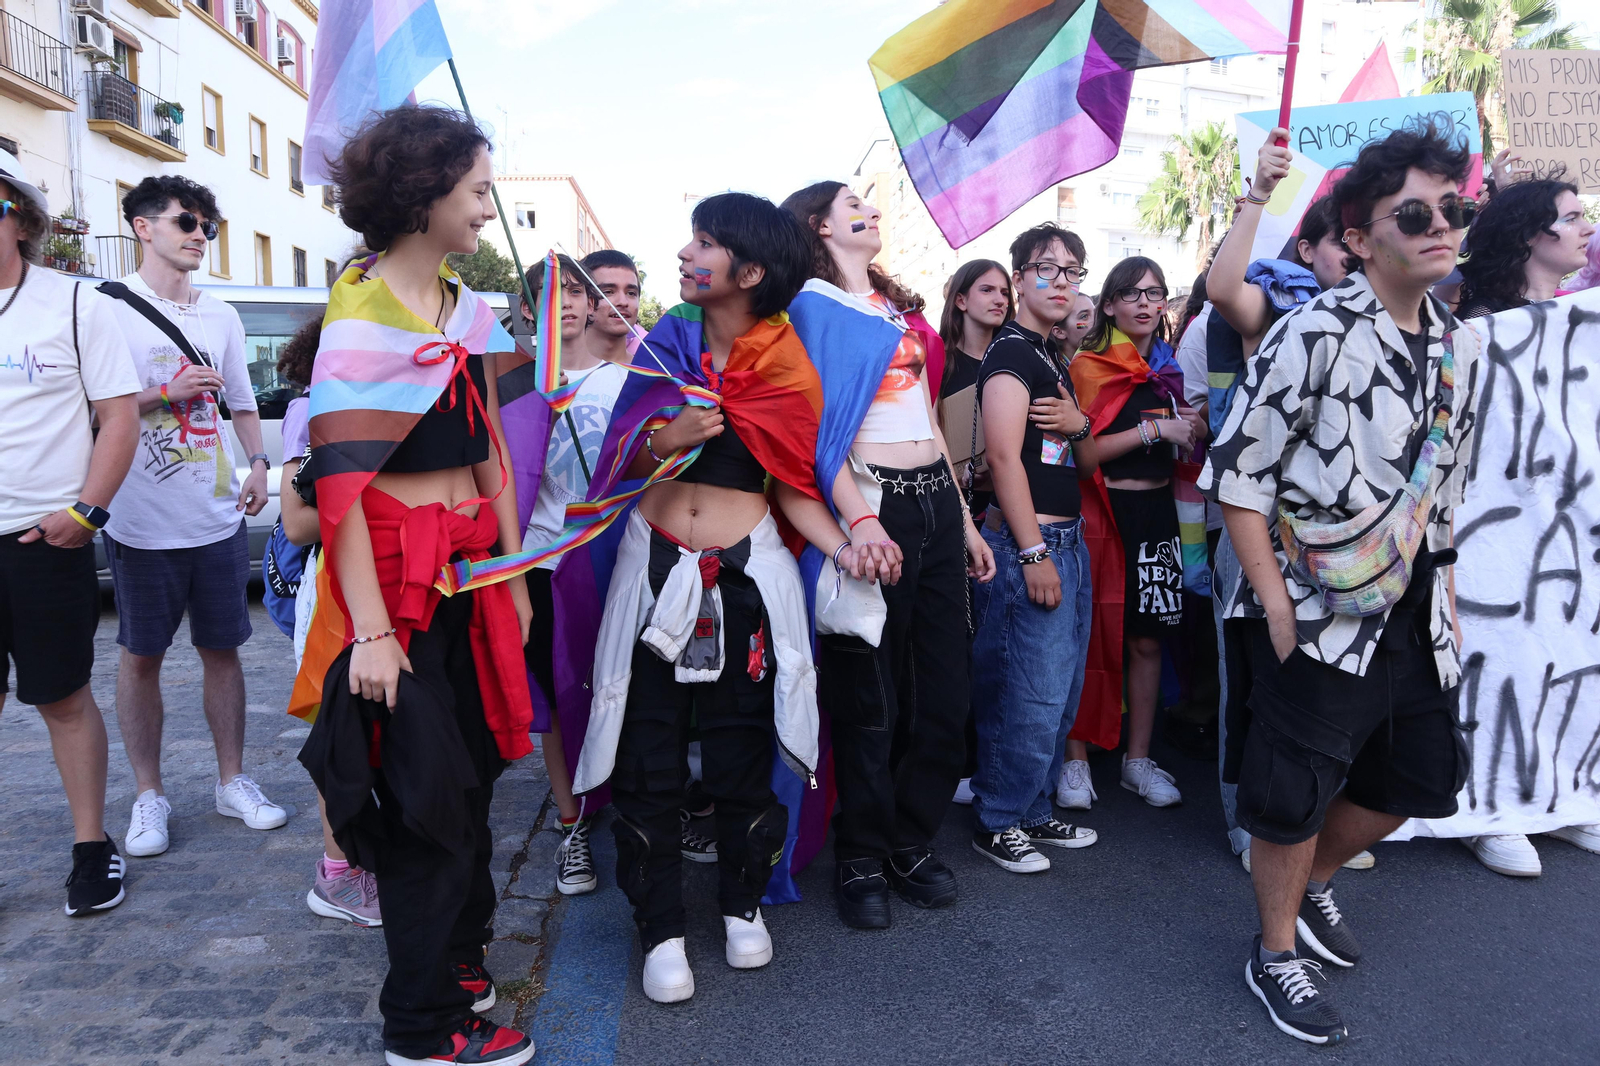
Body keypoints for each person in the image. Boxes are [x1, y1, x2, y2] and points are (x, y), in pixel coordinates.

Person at [1202, 120, 1481, 1046]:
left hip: (1412, 607)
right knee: (1289, 792)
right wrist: (1277, 611)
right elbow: (1237, 476)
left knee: (1420, 778)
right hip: (1314, 610)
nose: (1440, 224)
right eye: (1415, 212)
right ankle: (1274, 949)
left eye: (1455, 206)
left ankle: (1315, 883)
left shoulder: (1456, 343)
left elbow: (1445, 487)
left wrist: (1443, 601)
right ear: (1361, 239)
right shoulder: (1311, 332)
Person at [294, 104, 536, 1066]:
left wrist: (512, 576)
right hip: (394, 587)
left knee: (474, 785)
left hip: (473, 575)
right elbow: (344, 497)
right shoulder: (357, 323)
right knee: (428, 800)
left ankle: (461, 961)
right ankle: (422, 1026)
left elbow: (490, 453)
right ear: (424, 192)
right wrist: (370, 632)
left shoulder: (460, 310)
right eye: (477, 189)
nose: (487, 207)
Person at [571, 192, 832, 1004]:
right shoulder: (665, 347)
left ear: (750, 272)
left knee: (740, 749)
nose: (688, 253)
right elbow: (617, 461)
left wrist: (853, 537)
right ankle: (660, 930)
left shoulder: (789, 367)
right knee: (644, 754)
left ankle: (741, 902)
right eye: (692, 237)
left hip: (747, 577)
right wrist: (668, 438)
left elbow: (798, 486)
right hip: (649, 569)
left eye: (707, 242)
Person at [781, 180, 995, 930]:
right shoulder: (809, 308)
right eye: (852, 202)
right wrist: (859, 521)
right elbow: (816, 435)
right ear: (819, 225)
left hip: (935, 499)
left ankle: (911, 840)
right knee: (870, 697)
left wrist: (964, 522)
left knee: (945, 692)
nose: (869, 207)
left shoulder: (891, 312)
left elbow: (930, 423)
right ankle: (862, 853)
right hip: (871, 502)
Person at [99, 175, 284, 861]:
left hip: (215, 516)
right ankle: (149, 793)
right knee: (140, 655)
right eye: (185, 221)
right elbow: (94, 409)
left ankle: (231, 780)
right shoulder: (105, 308)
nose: (199, 233)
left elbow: (240, 403)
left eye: (207, 224)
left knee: (223, 650)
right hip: (139, 518)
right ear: (144, 227)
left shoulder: (223, 316)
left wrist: (259, 465)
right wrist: (163, 392)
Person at [1192, 135, 1355, 870]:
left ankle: (1312, 819)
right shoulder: (1280, 306)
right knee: (1253, 675)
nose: (1352, 255)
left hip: (1344, 531)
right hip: (1261, 520)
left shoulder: (1386, 321)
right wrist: (1256, 194)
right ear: (1312, 249)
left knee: (1332, 679)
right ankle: (1248, 818)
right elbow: (1225, 289)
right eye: (1340, 242)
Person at [0, 150, 140, 916]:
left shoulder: (78, 304)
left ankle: (93, 847)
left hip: (41, 539)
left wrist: (85, 511)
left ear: (18, 216)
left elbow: (118, 415)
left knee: (63, 699)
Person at [1451, 175, 1598, 878]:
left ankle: (1563, 797)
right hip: (1499, 532)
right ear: (1532, 235)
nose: (1584, 229)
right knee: (1500, 662)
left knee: (1567, 657)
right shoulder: (1479, 325)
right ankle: (1492, 808)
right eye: (1571, 218)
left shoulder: (1580, 325)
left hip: (1568, 527)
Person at [969, 223, 1100, 873]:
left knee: (1059, 690)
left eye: (1073, 272)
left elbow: (1074, 450)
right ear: (1019, 277)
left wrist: (1081, 424)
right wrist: (1030, 552)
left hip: (1067, 542)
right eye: (1047, 269)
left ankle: (1033, 806)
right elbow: (1001, 457)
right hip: (1034, 542)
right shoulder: (1011, 353)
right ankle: (997, 817)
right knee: (1026, 690)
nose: (1063, 282)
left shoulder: (1050, 357)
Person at [1068, 256, 1201, 809]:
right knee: (1086, 637)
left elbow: (1188, 444)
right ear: (1110, 305)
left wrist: (1191, 426)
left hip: (1158, 517)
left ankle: (1137, 760)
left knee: (1149, 640)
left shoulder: (1168, 372)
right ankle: (1074, 764)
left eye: (1154, 293)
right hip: (1102, 517)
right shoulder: (1087, 368)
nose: (1145, 303)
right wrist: (1153, 429)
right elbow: (1082, 457)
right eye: (1132, 294)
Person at [272, 316, 384, 930]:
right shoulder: (311, 409)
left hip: (398, 583)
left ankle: (379, 857)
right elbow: (297, 523)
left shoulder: (410, 402)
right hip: (337, 590)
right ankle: (337, 873)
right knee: (340, 731)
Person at [517, 254, 618, 896]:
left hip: (615, 556)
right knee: (557, 696)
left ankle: (639, 806)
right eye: (555, 296)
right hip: (543, 563)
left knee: (623, 686)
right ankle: (573, 820)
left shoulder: (626, 381)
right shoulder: (517, 388)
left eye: (579, 293)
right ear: (530, 312)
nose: (572, 304)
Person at [580, 248, 643, 364]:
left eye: (631, 293)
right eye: (608, 292)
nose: (623, 302)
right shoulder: (551, 375)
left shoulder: (652, 377)